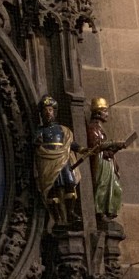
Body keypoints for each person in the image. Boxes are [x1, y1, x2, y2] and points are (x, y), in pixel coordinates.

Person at [33, 94, 80, 224]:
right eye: (45, 110)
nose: (48, 113)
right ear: (41, 114)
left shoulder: (63, 130)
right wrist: (37, 141)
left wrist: (81, 149)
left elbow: (70, 143)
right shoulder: (40, 131)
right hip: (48, 161)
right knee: (52, 189)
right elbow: (35, 143)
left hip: (63, 159)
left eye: (50, 110)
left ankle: (70, 212)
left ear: (54, 112)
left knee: (70, 184)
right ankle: (57, 218)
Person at [86, 97, 128, 219]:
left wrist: (115, 148)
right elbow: (95, 145)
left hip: (107, 161)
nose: (107, 114)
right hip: (100, 161)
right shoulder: (93, 128)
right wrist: (114, 143)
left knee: (117, 188)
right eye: (105, 111)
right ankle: (100, 211)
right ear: (98, 113)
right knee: (103, 186)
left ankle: (110, 210)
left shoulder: (100, 128)